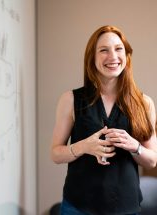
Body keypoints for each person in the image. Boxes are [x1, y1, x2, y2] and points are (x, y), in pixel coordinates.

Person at [50, 25, 157, 215]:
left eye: (118, 49)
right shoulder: (70, 100)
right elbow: (56, 154)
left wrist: (134, 146)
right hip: (77, 207)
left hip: (126, 208)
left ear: (127, 55)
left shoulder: (145, 103)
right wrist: (84, 146)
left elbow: (152, 161)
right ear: (92, 57)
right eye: (103, 50)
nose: (113, 57)